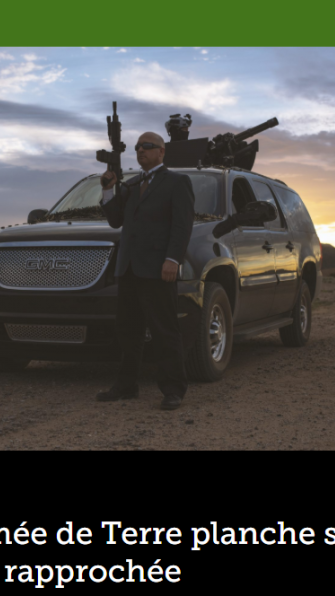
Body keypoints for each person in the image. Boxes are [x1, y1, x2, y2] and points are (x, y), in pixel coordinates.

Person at [97, 132, 195, 410]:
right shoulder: (133, 183)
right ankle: (127, 385)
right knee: (128, 330)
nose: (141, 150)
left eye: (147, 147)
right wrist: (107, 189)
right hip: (128, 267)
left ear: (162, 152)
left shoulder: (177, 182)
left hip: (158, 267)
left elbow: (182, 224)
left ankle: (173, 389)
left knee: (165, 329)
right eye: (138, 147)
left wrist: (173, 259)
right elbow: (116, 221)